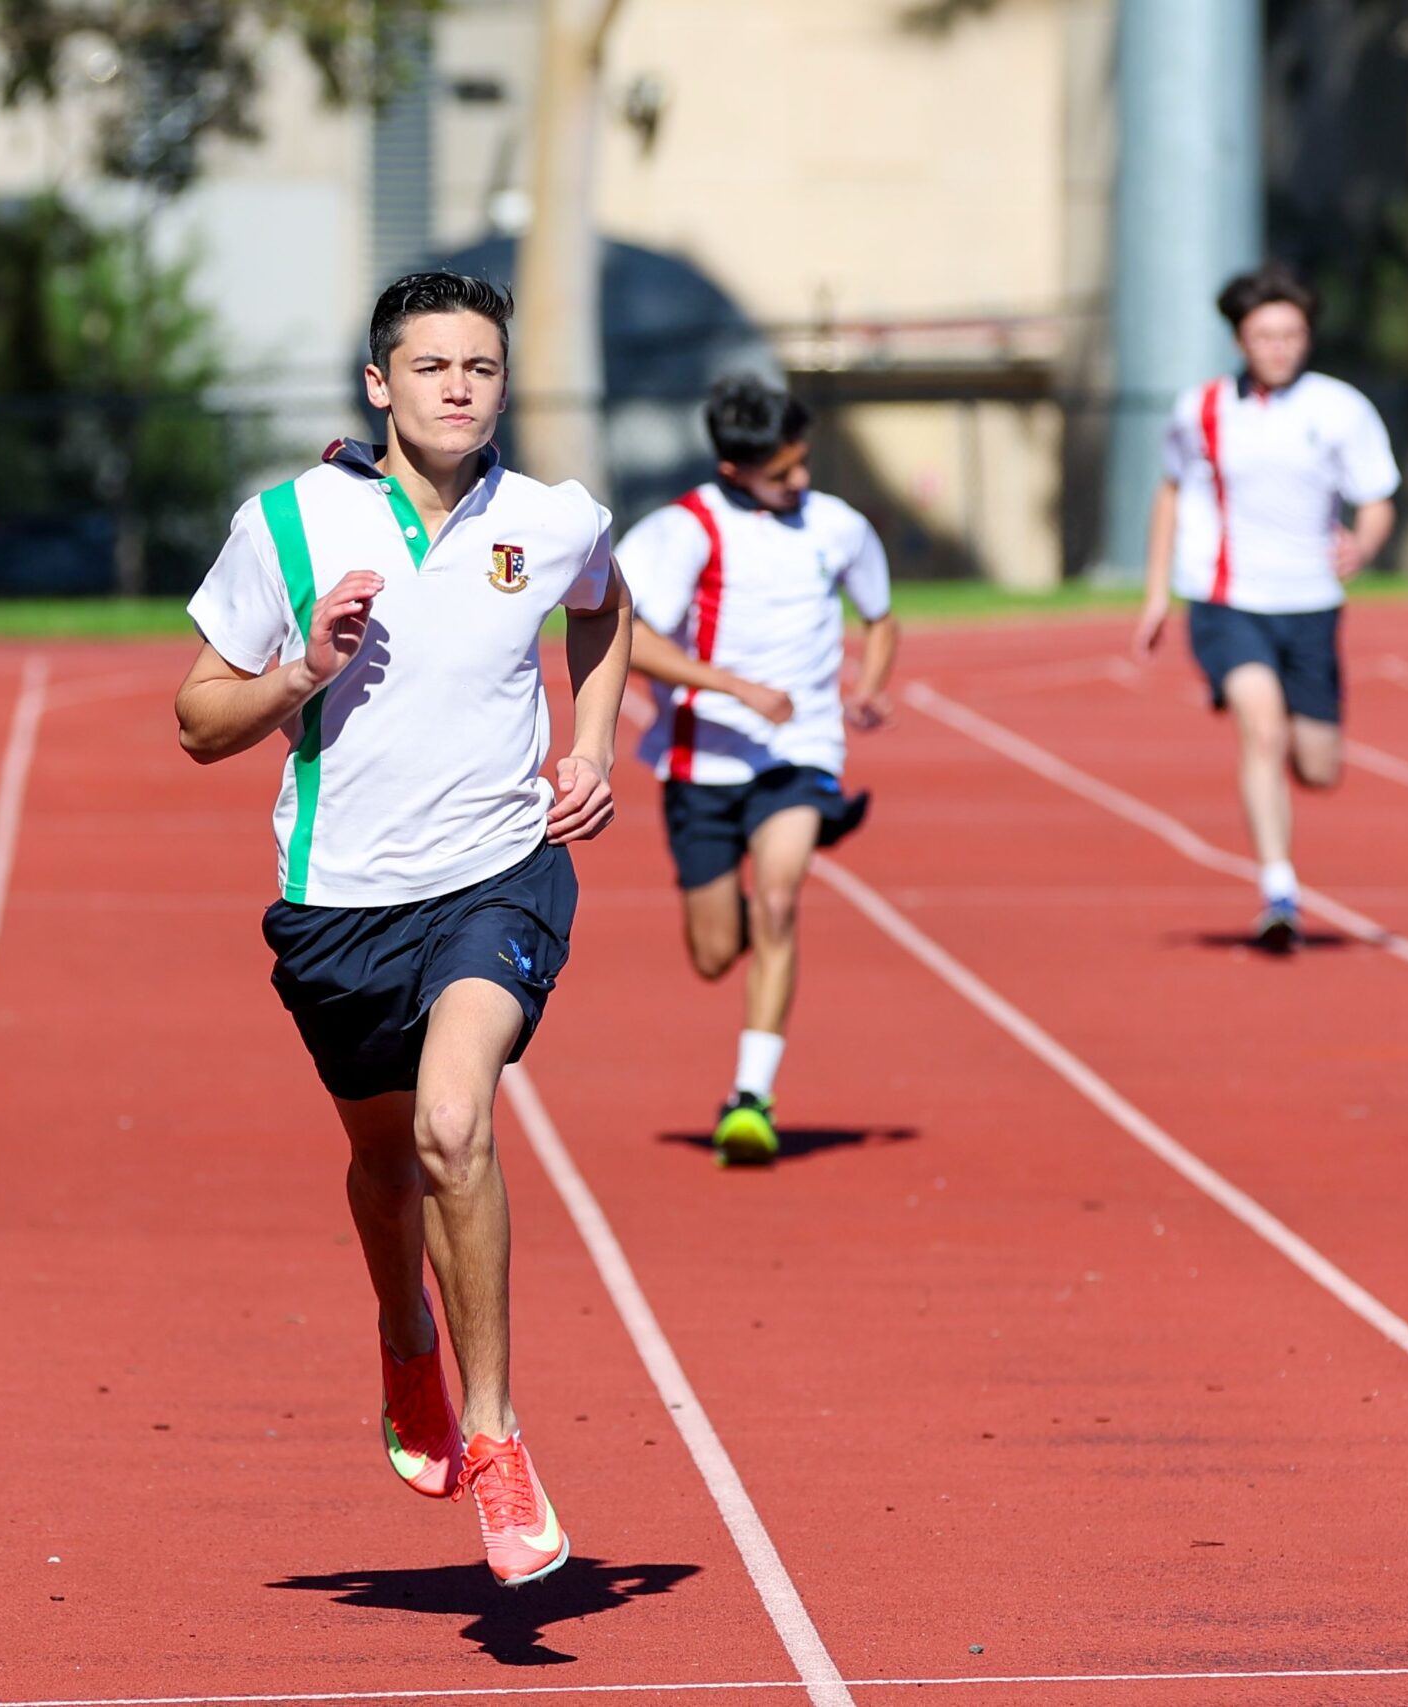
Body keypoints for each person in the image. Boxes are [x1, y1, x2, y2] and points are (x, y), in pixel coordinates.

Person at [174, 271, 632, 1587]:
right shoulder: (286, 523)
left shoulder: (549, 518)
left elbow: (605, 604)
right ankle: (403, 1333)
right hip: (336, 903)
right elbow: (197, 721)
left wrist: (593, 741)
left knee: (450, 1125)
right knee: (384, 1160)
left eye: (480, 367)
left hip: (497, 875)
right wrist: (303, 669)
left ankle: (496, 1436)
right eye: (431, 367)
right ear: (380, 383)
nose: (457, 389)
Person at [619, 376, 897, 1166]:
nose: (800, 480)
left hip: (798, 753)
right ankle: (749, 887)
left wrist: (871, 685)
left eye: (803, 462)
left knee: (778, 903)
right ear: (733, 470)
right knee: (714, 955)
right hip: (700, 759)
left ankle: (750, 1098)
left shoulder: (838, 526)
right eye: (781, 473)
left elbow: (880, 618)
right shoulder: (683, 531)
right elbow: (627, 636)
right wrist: (732, 686)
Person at [1133, 263, 1398, 953]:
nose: (1279, 349)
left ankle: (1280, 741)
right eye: (1264, 336)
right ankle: (1279, 891)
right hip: (1227, 599)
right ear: (1239, 340)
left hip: (1310, 604)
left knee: (1318, 767)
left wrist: (1363, 545)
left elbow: (1377, 498)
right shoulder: (1201, 410)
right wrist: (1157, 592)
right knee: (1262, 728)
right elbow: (1170, 492)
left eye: (1292, 335)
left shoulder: (1340, 409)